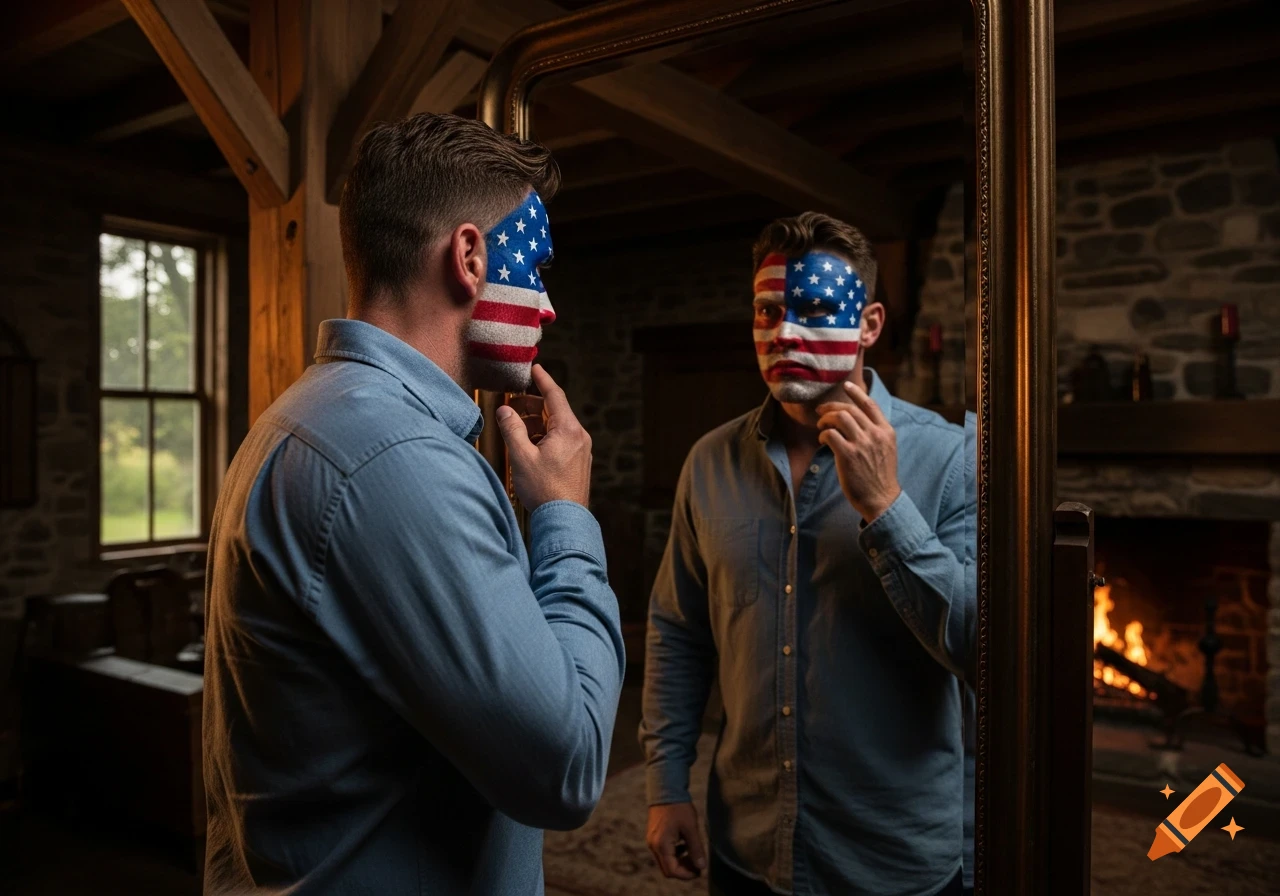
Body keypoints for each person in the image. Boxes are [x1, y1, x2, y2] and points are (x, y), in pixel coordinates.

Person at [202, 113, 625, 895]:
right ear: (468, 256)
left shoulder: (306, 414)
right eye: (538, 266)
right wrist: (567, 516)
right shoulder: (396, 458)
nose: (549, 304)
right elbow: (567, 765)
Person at [641, 212, 975, 895]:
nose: (783, 334)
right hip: (749, 855)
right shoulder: (709, 462)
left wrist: (887, 508)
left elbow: (983, 645)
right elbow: (679, 631)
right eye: (767, 311)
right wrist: (664, 784)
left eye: (816, 310)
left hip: (893, 864)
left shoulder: (952, 458)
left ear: (871, 325)